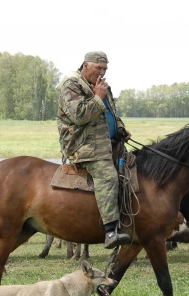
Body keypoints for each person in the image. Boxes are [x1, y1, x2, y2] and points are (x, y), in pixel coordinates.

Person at [57, 51, 132, 249]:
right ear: (85, 65)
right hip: (84, 146)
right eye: (98, 68)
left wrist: (121, 129)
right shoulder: (71, 85)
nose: (101, 72)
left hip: (108, 143)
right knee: (108, 176)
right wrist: (98, 97)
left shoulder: (102, 86)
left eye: (105, 69)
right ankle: (110, 231)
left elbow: (111, 113)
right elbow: (78, 115)